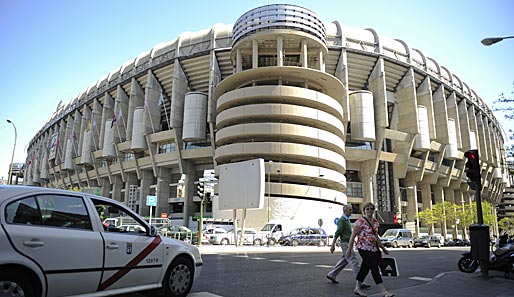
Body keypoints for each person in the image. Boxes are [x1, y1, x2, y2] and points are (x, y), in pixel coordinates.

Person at [347, 202, 394, 297]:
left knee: (365, 268)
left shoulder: (376, 222)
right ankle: (383, 291)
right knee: (374, 267)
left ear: (373, 210)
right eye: (367, 209)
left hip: (373, 249)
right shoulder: (360, 222)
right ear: (364, 211)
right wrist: (349, 249)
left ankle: (357, 288)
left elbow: (376, 237)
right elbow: (352, 237)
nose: (369, 210)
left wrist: (383, 248)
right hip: (363, 248)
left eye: (371, 209)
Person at [326, 204, 370, 289]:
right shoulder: (342, 220)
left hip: (348, 243)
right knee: (353, 262)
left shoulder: (346, 220)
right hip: (345, 244)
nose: (351, 211)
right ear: (345, 211)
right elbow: (337, 233)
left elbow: (349, 233)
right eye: (350, 210)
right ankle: (360, 282)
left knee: (344, 260)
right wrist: (333, 245)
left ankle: (331, 275)